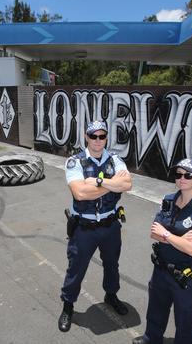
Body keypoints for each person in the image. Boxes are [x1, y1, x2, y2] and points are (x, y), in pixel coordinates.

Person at [58, 120, 132, 332]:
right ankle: (68, 306)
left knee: (112, 264)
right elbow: (79, 193)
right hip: (84, 227)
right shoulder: (75, 162)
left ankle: (111, 295)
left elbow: (127, 184)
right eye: (93, 136)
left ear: (106, 138)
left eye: (102, 136)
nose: (98, 141)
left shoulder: (115, 159)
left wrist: (97, 182)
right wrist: (112, 184)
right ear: (86, 137)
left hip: (110, 225)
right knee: (76, 268)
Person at [133, 158, 192, 344]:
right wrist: (179, 239)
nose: (182, 178)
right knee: (156, 310)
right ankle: (151, 339)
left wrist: (167, 235)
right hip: (161, 268)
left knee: (186, 320)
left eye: (188, 175)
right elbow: (154, 233)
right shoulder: (168, 200)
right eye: (178, 174)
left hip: (185, 276)